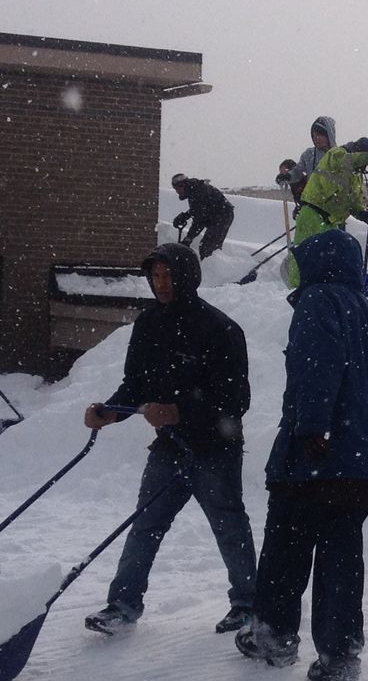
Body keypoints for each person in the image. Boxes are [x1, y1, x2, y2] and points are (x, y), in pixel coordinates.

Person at [238, 229, 368, 681]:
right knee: (342, 558)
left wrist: (313, 427)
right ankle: (340, 654)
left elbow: (318, 364)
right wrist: (367, 439)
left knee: (286, 550)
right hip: (357, 464)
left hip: (311, 458)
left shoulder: (318, 302)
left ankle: (273, 637)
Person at [82, 242, 257, 635]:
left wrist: (181, 411)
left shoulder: (221, 329)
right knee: (145, 523)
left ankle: (248, 604)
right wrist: (111, 412)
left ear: (187, 277)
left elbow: (236, 400)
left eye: (168, 276)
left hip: (215, 448)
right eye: (155, 276)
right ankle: (122, 604)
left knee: (229, 526)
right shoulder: (148, 324)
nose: (161, 284)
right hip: (170, 446)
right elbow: (136, 384)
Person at [289, 115, 368, 287]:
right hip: (312, 214)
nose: (317, 138)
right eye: (315, 134)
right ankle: (297, 287)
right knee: (304, 252)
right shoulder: (336, 155)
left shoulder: (355, 175)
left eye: (321, 134)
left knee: (328, 257)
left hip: (330, 221)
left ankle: (323, 284)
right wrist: (367, 157)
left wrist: (362, 212)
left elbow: (352, 200)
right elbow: (348, 160)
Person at [170, 173, 235, 257]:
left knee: (207, 247)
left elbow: (200, 220)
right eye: (175, 189)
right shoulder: (192, 190)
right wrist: (185, 216)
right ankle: (213, 263)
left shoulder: (198, 192)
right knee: (207, 246)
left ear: (183, 185)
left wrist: (188, 238)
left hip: (222, 216)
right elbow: (196, 210)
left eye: (178, 188)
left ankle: (216, 266)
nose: (177, 191)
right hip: (214, 216)